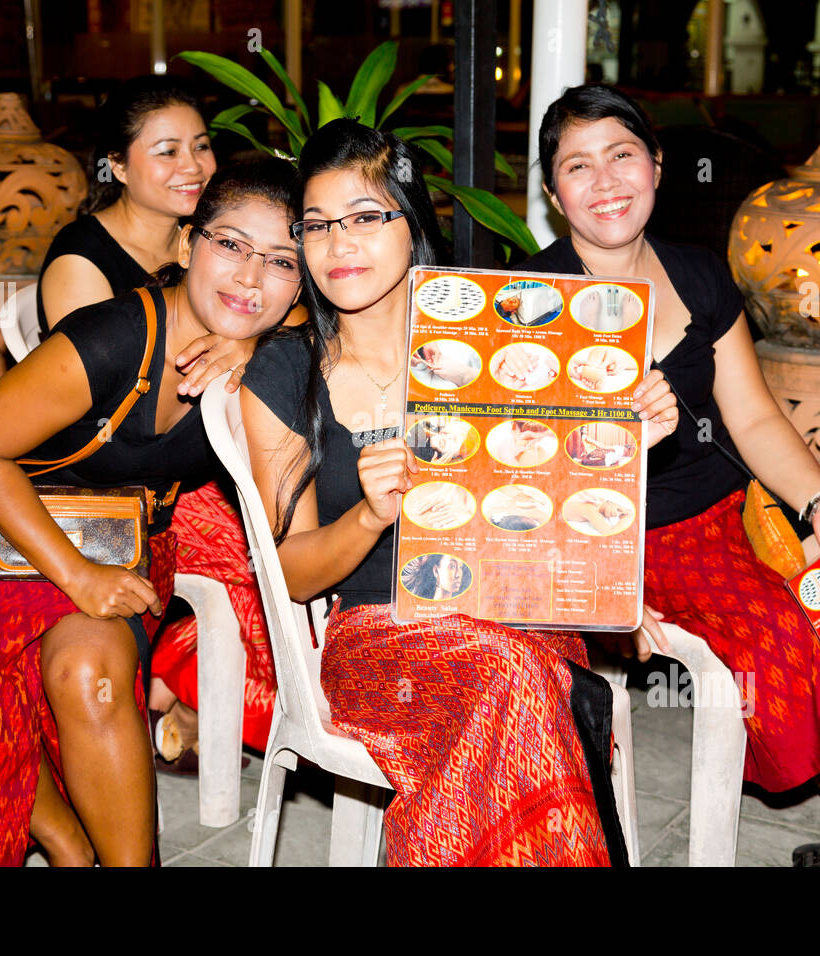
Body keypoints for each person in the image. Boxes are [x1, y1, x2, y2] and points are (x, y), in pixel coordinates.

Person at [521, 84, 820, 867]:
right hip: (629, 540)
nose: (605, 181)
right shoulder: (532, 304)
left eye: (622, 155)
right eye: (577, 167)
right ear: (555, 194)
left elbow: (753, 418)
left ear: (656, 164)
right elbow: (523, 481)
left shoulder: (697, 274)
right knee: (784, 631)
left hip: (734, 515)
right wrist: (614, 457)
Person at [239, 119, 679, 866]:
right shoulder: (285, 373)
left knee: (517, 671)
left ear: (412, 227)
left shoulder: (501, 345)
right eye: (317, 225)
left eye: (366, 217)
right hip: (378, 640)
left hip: (510, 613)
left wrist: (627, 436)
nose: (339, 243)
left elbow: (552, 502)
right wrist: (370, 517)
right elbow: (287, 571)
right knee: (517, 679)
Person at [0, 161, 302, 865]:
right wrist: (78, 576)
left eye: (280, 261)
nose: (250, 278)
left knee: (94, 677)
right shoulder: (112, 337)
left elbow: (332, 322)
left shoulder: (268, 346)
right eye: (230, 245)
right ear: (184, 247)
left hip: (119, 538)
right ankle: (62, 837)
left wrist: (255, 338)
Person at [36, 76, 290, 768]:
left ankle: (192, 694)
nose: (194, 166)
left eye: (203, 147)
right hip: (116, 489)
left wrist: (246, 339)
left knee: (289, 517)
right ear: (116, 166)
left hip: (192, 469)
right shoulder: (83, 268)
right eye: (167, 151)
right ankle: (209, 690)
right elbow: (127, 417)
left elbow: (295, 312)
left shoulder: (231, 254)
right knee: (260, 550)